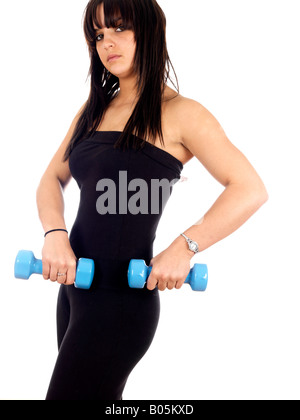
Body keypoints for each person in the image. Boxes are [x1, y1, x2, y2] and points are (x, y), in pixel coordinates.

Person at [36, 0, 268, 400]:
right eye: (98, 34)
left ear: (149, 30)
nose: (107, 42)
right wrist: (55, 234)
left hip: (121, 303)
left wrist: (185, 247)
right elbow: (51, 179)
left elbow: (249, 188)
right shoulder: (93, 111)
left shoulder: (182, 114)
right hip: (75, 292)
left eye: (119, 27)